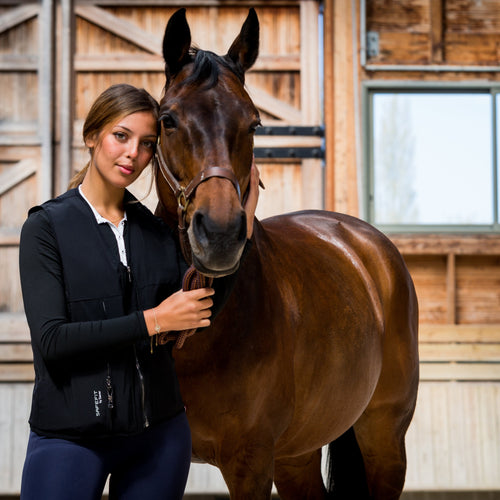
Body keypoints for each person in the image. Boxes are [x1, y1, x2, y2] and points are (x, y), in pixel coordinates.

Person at [19, 83, 260, 500]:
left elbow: (201, 311)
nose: (133, 153)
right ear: (92, 137)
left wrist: (246, 225)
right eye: (121, 136)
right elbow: (52, 341)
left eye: (147, 143)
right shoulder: (46, 229)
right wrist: (153, 321)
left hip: (159, 440)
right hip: (70, 439)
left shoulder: (155, 232)